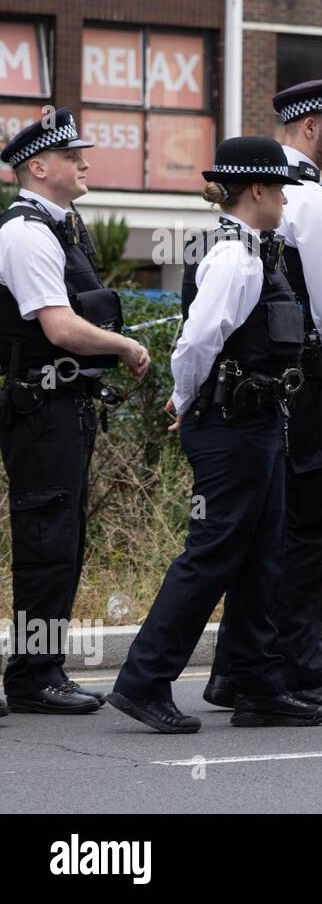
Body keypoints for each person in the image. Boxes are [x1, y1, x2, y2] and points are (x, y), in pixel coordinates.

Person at [108, 136, 322, 733]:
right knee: (209, 558)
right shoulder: (234, 256)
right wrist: (188, 400)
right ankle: (144, 681)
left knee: (263, 555)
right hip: (230, 427)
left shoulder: (258, 251)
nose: (285, 200)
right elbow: (197, 341)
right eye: (280, 188)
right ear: (257, 189)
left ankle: (258, 685)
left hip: (253, 425)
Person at [204, 79, 322, 716]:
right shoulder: (311, 200)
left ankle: (238, 670)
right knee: (317, 520)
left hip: (266, 382)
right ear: (309, 127)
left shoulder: (275, 193)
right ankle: (301, 668)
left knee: (271, 527)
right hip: (306, 379)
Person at [0, 108, 150, 715]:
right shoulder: (27, 233)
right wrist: (124, 346)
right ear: (39, 166)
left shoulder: (60, 225)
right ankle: (34, 677)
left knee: (62, 539)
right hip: (41, 405)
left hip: (64, 406)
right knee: (46, 540)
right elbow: (59, 327)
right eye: (72, 156)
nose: (85, 163)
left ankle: (43, 669)